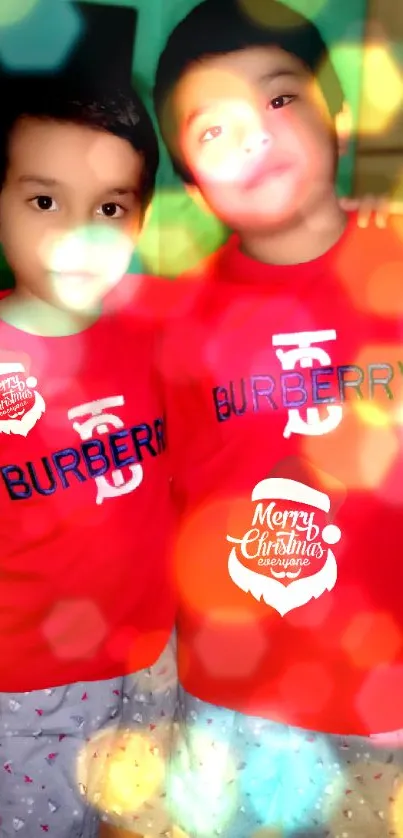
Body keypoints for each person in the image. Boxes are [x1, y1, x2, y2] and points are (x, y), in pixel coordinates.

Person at [153, 1, 403, 836]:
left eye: (278, 99)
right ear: (189, 179)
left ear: (333, 112)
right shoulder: (169, 320)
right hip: (234, 710)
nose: (254, 136)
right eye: (213, 129)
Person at [0, 76, 176, 838]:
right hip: (23, 691)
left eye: (109, 207)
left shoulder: (160, 329)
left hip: (149, 667)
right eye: (45, 202)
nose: (80, 233)